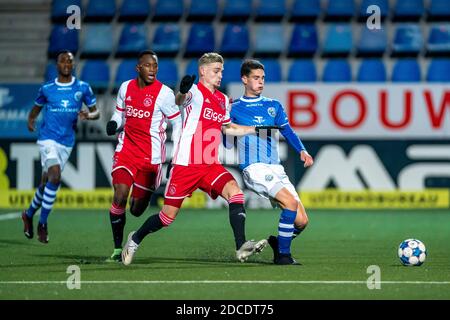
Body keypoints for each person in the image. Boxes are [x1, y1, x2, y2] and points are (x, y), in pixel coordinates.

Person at [121, 52, 268, 265]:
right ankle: (135, 238)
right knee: (166, 218)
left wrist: (254, 129)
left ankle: (241, 245)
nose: (220, 76)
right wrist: (182, 90)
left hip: (210, 164)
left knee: (236, 194)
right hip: (186, 164)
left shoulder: (223, 99)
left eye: (222, 72)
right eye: (216, 71)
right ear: (203, 71)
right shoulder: (194, 92)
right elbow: (179, 100)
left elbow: (227, 128)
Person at [229, 59, 314, 265]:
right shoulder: (233, 107)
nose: (261, 82)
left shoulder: (273, 105)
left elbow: (287, 130)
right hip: (254, 167)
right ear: (244, 79)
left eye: (263, 78)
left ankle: (277, 243)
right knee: (290, 203)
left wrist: (302, 150)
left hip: (276, 167)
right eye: (256, 78)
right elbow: (225, 134)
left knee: (302, 221)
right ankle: (283, 256)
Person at [104, 50, 182, 262]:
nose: (153, 70)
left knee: (137, 210)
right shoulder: (125, 87)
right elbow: (119, 113)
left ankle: (132, 236)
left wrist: (177, 153)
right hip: (126, 151)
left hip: (151, 159)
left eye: (155, 66)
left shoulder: (164, 93)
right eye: (148, 66)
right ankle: (117, 250)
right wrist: (114, 123)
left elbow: (177, 122)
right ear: (138, 68)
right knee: (119, 194)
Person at [21, 50, 99, 243]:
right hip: (47, 139)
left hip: (67, 142)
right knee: (55, 176)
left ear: (73, 65)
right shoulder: (47, 88)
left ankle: (29, 213)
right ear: (57, 65)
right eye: (62, 61)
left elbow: (96, 112)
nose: (66, 63)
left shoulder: (83, 87)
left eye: (69, 61)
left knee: (46, 182)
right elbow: (36, 108)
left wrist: (88, 116)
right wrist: (31, 119)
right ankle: (43, 223)